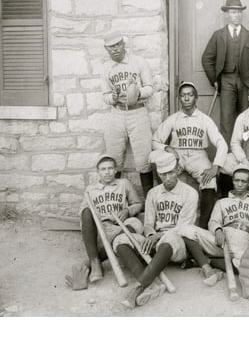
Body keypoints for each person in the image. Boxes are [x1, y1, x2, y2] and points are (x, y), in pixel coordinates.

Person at [118, 151, 198, 308]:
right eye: (163, 174)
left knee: (169, 239)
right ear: (158, 174)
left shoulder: (190, 193)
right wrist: (151, 235)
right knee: (121, 240)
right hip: (156, 240)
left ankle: (138, 287)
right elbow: (148, 223)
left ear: (178, 170)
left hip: (177, 244)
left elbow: (183, 227)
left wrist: (159, 236)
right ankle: (153, 283)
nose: (167, 178)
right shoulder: (153, 193)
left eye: (171, 173)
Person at [178, 164, 249, 285]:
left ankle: (206, 261)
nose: (240, 184)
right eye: (237, 180)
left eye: (243, 181)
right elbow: (214, 221)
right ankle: (208, 268)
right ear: (232, 181)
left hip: (244, 239)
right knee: (186, 230)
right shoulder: (222, 202)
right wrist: (217, 230)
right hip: (221, 240)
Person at [152, 81, 228, 229]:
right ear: (179, 98)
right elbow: (155, 140)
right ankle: (167, 222)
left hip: (198, 155)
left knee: (210, 181)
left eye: (190, 95)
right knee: (157, 160)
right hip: (177, 154)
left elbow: (222, 143)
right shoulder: (173, 118)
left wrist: (215, 166)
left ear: (196, 97)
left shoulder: (204, 119)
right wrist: (168, 148)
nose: (186, 98)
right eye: (183, 95)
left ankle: (203, 227)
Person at [65, 154, 144, 290]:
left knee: (136, 223)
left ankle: (87, 265)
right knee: (86, 211)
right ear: (98, 172)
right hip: (102, 228)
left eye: (110, 168)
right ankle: (95, 262)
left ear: (115, 170)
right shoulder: (91, 189)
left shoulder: (123, 184)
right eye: (103, 169)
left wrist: (127, 211)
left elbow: (138, 204)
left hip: (121, 226)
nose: (107, 172)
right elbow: (83, 214)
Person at [202, 0, 249, 145]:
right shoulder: (218, 35)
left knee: (246, 118)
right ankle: (228, 156)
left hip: (246, 82)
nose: (236, 15)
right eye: (233, 12)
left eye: (239, 12)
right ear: (227, 15)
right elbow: (206, 59)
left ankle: (245, 155)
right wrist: (215, 81)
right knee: (227, 119)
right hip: (226, 81)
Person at [102, 31, 156, 197]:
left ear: (123, 44)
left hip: (137, 111)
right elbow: (104, 95)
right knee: (113, 158)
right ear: (107, 49)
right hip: (117, 113)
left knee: (144, 159)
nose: (115, 49)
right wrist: (113, 97)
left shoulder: (138, 62)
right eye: (111, 47)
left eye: (118, 45)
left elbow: (150, 87)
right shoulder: (106, 68)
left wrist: (137, 93)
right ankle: (115, 199)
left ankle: (149, 203)